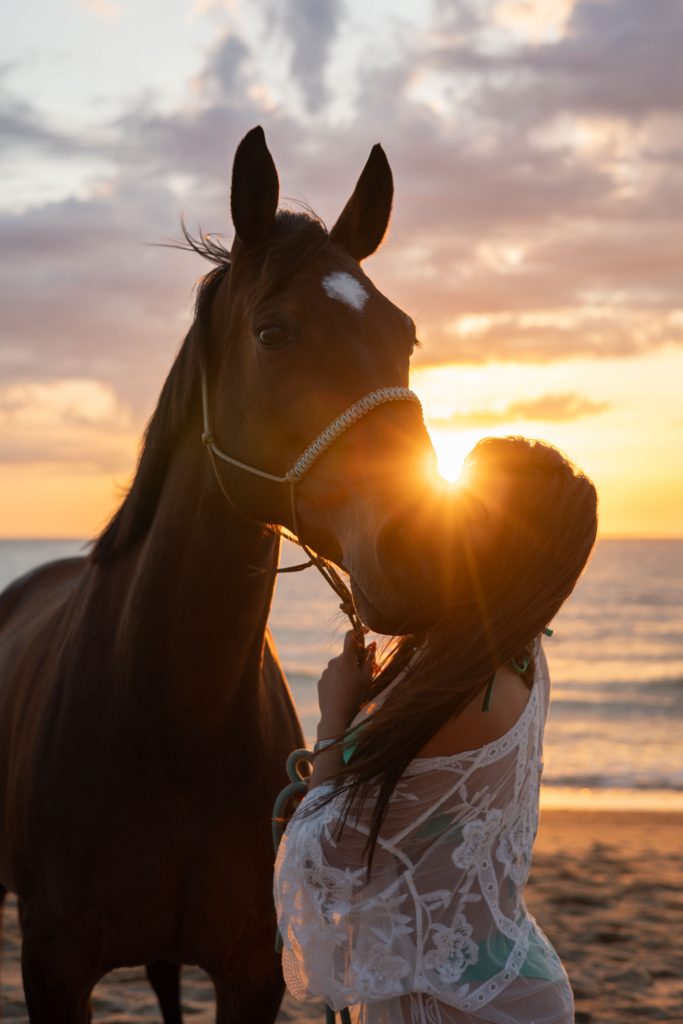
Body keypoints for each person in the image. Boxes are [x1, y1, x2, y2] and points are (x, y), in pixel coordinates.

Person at [274, 436, 598, 1024]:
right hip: (503, 981)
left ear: (507, 548)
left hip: (454, 1006)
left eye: (467, 514)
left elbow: (323, 866)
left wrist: (333, 719)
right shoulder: (516, 655)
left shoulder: (459, 694)